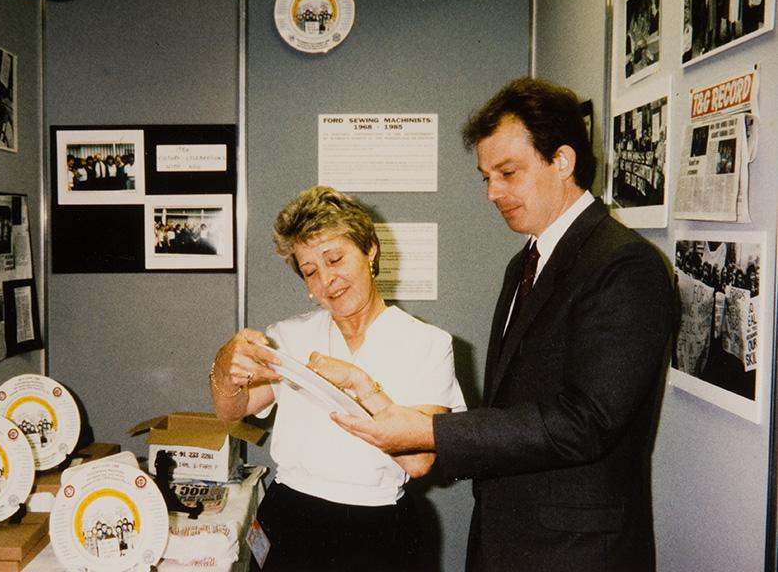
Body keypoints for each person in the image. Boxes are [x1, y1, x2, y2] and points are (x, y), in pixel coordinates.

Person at [327, 78, 674, 572]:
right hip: (506, 535)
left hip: (575, 551)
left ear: (562, 160)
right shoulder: (526, 263)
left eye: (508, 172)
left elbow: (587, 423)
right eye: (485, 176)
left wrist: (433, 431)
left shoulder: (624, 265)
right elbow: (516, 406)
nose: (492, 192)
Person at [210, 185, 466, 571]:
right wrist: (225, 365)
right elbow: (232, 410)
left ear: (370, 251)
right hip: (290, 512)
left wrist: (363, 385)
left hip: (374, 525)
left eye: (335, 259)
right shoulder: (289, 336)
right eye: (311, 272)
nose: (327, 280)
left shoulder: (427, 344)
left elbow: (418, 462)